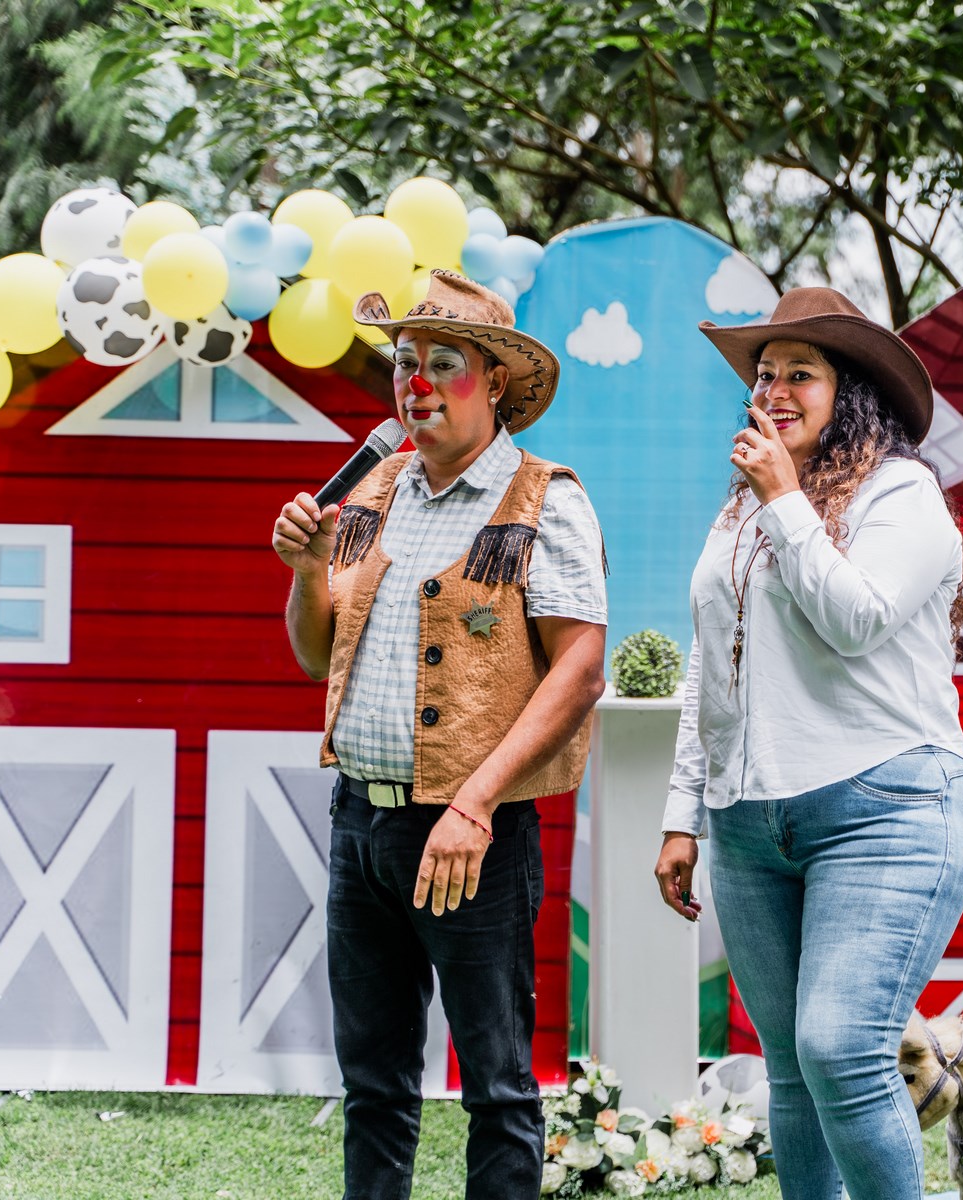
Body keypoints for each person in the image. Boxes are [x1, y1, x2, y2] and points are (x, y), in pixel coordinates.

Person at [270, 270, 608, 1199]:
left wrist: (475, 802)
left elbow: (580, 672)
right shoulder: (374, 487)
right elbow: (316, 654)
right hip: (361, 823)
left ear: (494, 382)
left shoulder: (545, 501)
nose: (415, 383)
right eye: (404, 362)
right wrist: (307, 571)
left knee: (497, 1085)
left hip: (472, 836)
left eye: (443, 363)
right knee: (373, 1082)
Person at [651, 288, 963, 1200]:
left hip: (884, 809)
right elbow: (708, 663)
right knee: (792, 1070)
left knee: (840, 1048)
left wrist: (784, 501)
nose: (776, 390)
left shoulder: (902, 494)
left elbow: (856, 619)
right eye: (766, 374)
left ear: (851, 394)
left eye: (802, 373)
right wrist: (683, 814)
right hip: (749, 822)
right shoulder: (740, 512)